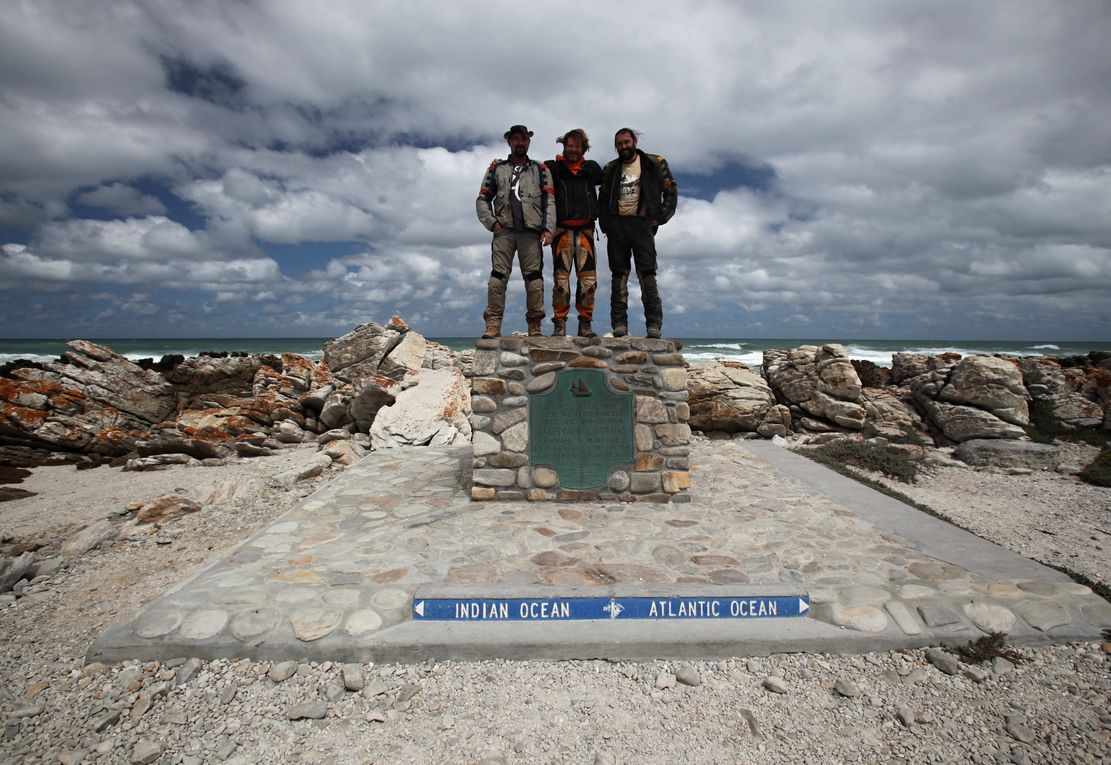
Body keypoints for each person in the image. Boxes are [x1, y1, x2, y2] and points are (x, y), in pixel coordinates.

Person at [475, 124, 555, 338]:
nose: (520, 142)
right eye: (516, 139)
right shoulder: (496, 168)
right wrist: (492, 223)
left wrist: (548, 228)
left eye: (524, 139)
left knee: (535, 279)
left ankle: (535, 325)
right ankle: (493, 324)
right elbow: (483, 199)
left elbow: (549, 200)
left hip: (531, 232)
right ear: (509, 142)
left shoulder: (540, 169)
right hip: (504, 232)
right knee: (497, 278)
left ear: (529, 142)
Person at [598, 128, 677, 338]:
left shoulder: (655, 162)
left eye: (626, 142)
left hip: (642, 225)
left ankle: (653, 325)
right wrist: (605, 224)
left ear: (634, 141)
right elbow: (603, 197)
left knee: (647, 274)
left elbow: (670, 190)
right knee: (618, 275)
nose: (623, 146)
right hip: (617, 227)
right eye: (619, 144)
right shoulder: (611, 168)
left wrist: (661, 217)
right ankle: (619, 325)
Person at [544, 129, 603, 337]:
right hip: (561, 231)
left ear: (583, 148)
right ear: (564, 146)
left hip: (586, 231)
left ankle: (585, 323)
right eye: (569, 145)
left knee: (588, 281)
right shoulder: (552, 168)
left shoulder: (592, 169)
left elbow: (611, 180)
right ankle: (559, 323)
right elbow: (530, 171)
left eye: (577, 146)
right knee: (561, 281)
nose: (573, 149)